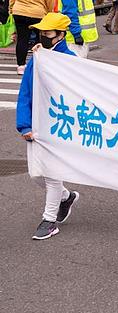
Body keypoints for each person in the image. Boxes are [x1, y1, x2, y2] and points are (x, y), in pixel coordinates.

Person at [16, 12, 81, 241]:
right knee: (36, 175)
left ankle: (49, 220)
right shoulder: (37, 57)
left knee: (52, 173)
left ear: (61, 35)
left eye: (48, 32)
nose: (42, 36)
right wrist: (24, 124)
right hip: (36, 124)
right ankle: (65, 197)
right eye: (41, 32)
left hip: (58, 125)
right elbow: (25, 92)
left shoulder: (70, 60)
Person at [10, 0, 55, 75]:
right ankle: (38, 63)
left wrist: (11, 10)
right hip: (38, 13)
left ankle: (21, 66)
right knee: (40, 39)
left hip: (19, 12)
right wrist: (49, 12)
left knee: (22, 39)